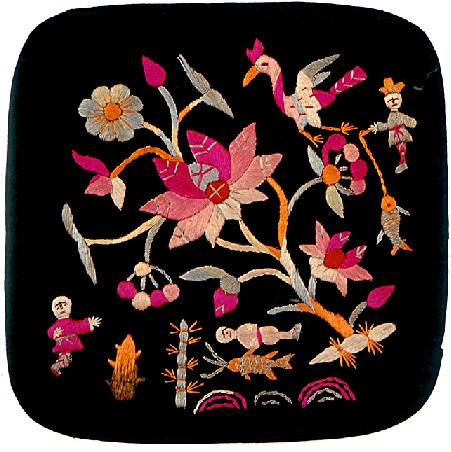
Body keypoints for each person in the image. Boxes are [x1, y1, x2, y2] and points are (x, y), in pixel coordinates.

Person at [369, 77, 417, 174]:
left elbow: (406, 119)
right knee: (400, 149)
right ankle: (402, 163)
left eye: (395, 99)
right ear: (386, 102)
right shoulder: (390, 116)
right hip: (394, 134)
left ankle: (403, 162)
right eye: (390, 100)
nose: (393, 102)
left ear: (400, 99)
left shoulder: (399, 115)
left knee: (402, 149)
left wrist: (412, 122)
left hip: (400, 133)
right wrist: (377, 127)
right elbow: (387, 125)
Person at [47, 295, 101, 376]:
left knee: (65, 356)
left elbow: (78, 326)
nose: (61, 309)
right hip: (69, 343)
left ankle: (58, 365)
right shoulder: (65, 324)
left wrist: (89, 323)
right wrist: (54, 333)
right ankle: (58, 365)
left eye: (64, 305)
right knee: (66, 357)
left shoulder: (67, 323)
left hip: (63, 344)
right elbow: (78, 326)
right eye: (58, 308)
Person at [215, 323, 301, 349]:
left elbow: (251, 326)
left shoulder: (241, 328)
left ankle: (291, 334)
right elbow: (251, 346)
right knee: (277, 335)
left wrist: (251, 328)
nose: (227, 333)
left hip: (262, 331)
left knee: (276, 333)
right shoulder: (242, 341)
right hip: (263, 337)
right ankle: (291, 335)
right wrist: (254, 343)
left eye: (225, 331)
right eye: (225, 336)